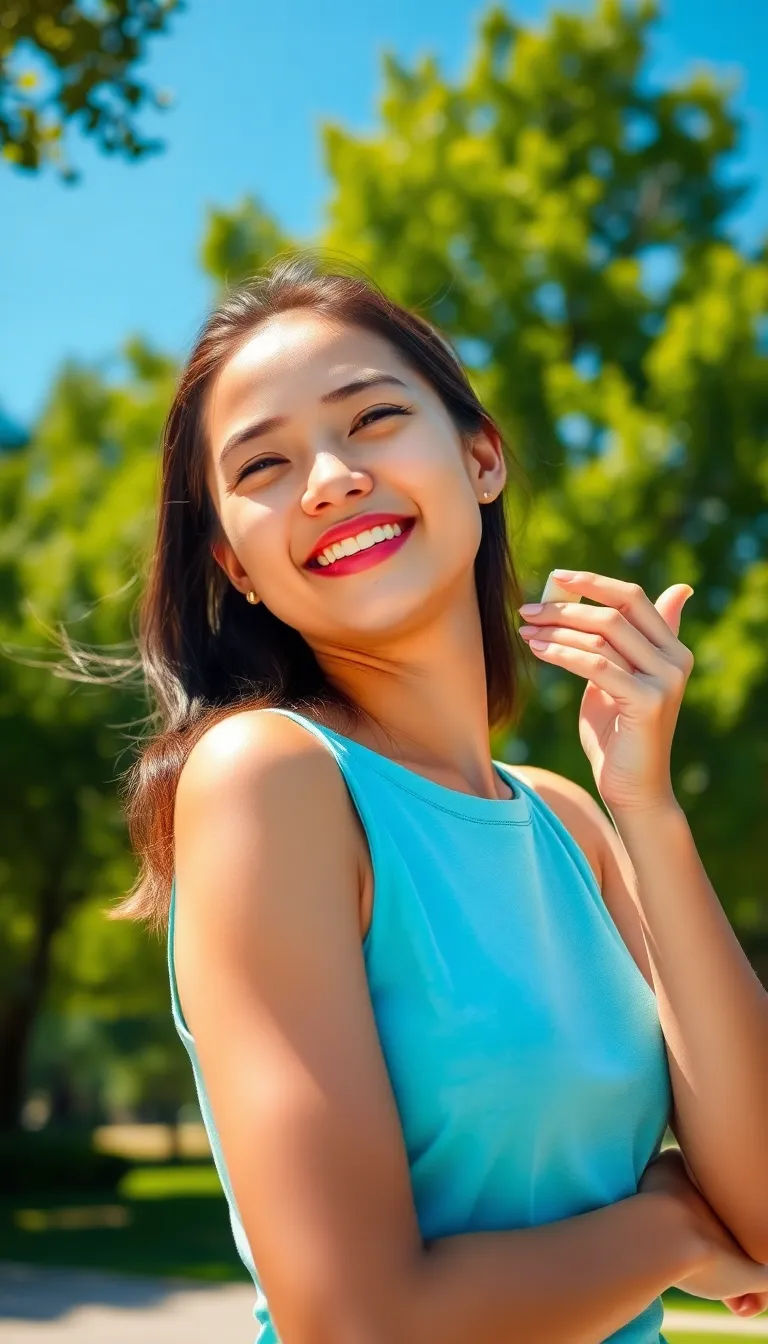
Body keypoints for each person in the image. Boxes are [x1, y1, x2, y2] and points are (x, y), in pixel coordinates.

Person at [113, 253, 763, 1343]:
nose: (327, 477)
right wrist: (674, 1236)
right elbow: (358, 1322)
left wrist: (648, 812)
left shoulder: (571, 820)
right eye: (264, 465)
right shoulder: (268, 779)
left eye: (369, 418)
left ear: (481, 457)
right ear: (233, 563)